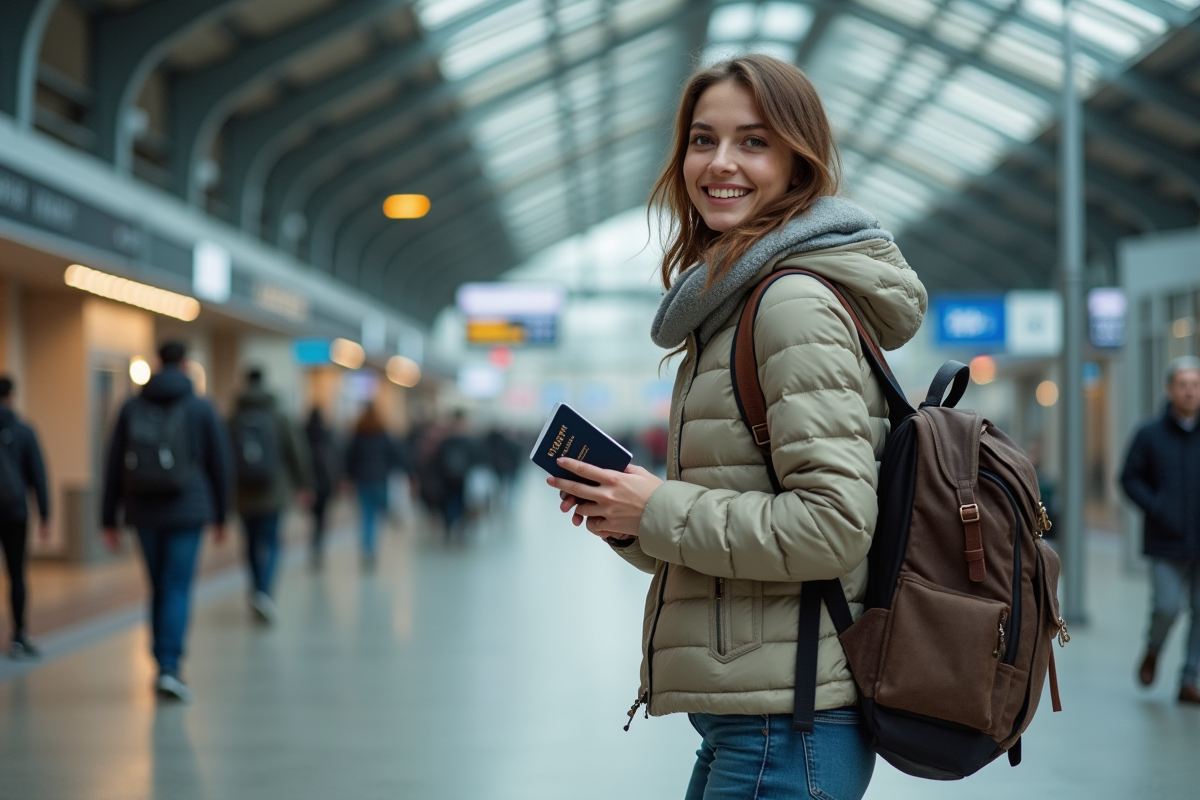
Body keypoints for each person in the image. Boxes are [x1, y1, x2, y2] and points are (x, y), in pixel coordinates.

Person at [547, 55, 926, 798]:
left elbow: (832, 528)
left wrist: (659, 507)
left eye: (753, 142)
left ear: (797, 164)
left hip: (788, 726)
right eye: (702, 140)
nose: (720, 164)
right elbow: (746, 553)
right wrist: (631, 518)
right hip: (760, 718)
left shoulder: (789, 302)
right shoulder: (732, 304)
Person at [102, 341, 232, 702]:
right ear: (187, 363)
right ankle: (170, 666)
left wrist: (107, 518)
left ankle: (161, 660)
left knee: (158, 585)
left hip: (143, 510)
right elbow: (220, 464)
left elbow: (113, 463)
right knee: (177, 585)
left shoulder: (131, 406)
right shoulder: (201, 408)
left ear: (157, 362)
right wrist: (222, 514)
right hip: (189, 510)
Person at [1121, 355, 1200, 704]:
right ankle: (1154, 649)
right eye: (1183, 385)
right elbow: (1129, 478)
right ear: (1170, 390)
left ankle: (1189, 680)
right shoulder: (1149, 434)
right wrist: (1156, 507)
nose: (1190, 391)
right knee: (1167, 606)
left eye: (1196, 385)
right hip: (1165, 540)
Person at [228, 368, 311, 623]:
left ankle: (255, 589)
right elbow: (295, 451)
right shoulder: (279, 415)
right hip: (273, 492)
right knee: (272, 542)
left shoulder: (234, 417)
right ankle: (265, 592)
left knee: (251, 544)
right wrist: (304, 484)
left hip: (242, 493)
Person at [0, 376, 50, 659]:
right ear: (12, 395)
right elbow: (38, 474)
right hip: (16, 512)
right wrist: (45, 514)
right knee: (16, 573)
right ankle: (19, 634)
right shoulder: (23, 431)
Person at [344, 405, 406, 568]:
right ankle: (371, 547)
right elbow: (396, 455)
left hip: (363, 480)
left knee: (366, 515)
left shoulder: (359, 434)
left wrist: (348, 477)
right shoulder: (382, 434)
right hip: (380, 479)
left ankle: (367, 547)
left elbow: (349, 458)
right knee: (377, 515)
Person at [434, 410, 476, 541]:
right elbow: (475, 458)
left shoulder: (445, 440)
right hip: (460, 477)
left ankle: (452, 525)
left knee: (452, 501)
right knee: (458, 501)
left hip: (449, 477)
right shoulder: (468, 441)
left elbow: (438, 459)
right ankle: (457, 526)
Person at [304, 407, 338, 568]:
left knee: (314, 517)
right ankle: (318, 547)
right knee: (321, 517)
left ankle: (314, 545)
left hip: (309, 482)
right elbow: (336, 457)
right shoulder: (327, 434)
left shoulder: (303, 433)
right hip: (325, 483)